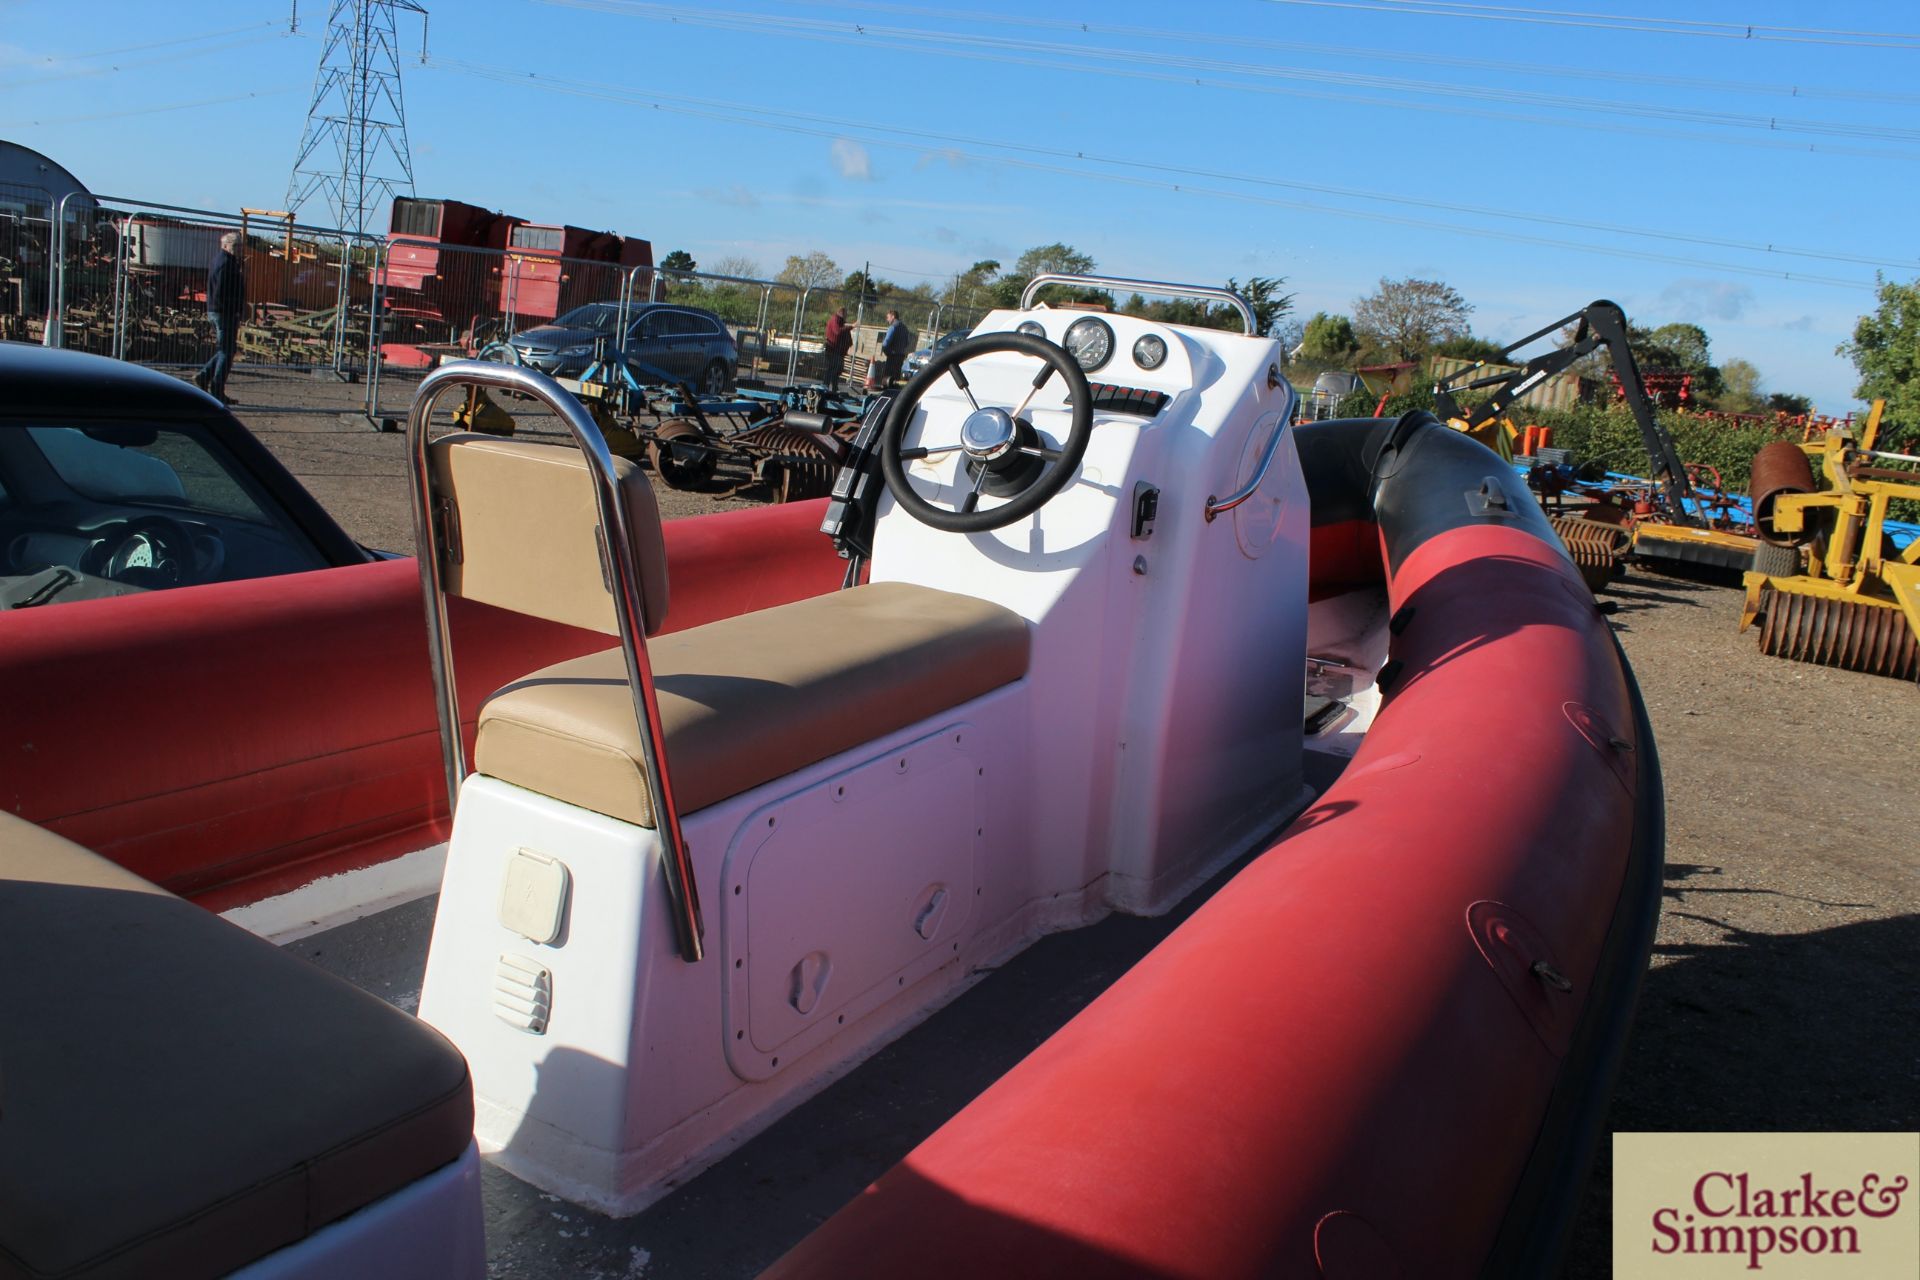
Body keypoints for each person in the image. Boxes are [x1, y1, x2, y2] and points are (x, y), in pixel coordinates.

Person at [194, 231, 244, 405]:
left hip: (219, 311)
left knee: (226, 349)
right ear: (225, 245)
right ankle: (216, 389)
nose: (239, 249)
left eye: (239, 246)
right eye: (236, 245)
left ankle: (205, 376)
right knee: (226, 351)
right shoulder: (225, 264)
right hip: (224, 313)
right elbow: (221, 291)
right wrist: (233, 310)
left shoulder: (222, 261)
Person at [879, 310, 912, 388]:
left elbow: (886, 343)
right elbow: (907, 342)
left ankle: (885, 394)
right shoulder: (904, 328)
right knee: (896, 379)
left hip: (892, 356)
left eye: (888, 317)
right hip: (900, 356)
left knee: (887, 379)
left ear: (893, 316)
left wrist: (885, 350)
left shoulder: (893, 327)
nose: (887, 319)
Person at [822, 305, 851, 393]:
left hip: (839, 350)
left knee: (838, 368)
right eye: (846, 314)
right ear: (842, 313)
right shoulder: (835, 320)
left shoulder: (841, 321)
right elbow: (837, 331)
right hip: (833, 349)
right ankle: (826, 385)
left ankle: (834, 387)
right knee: (833, 367)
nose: (846, 316)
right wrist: (850, 327)